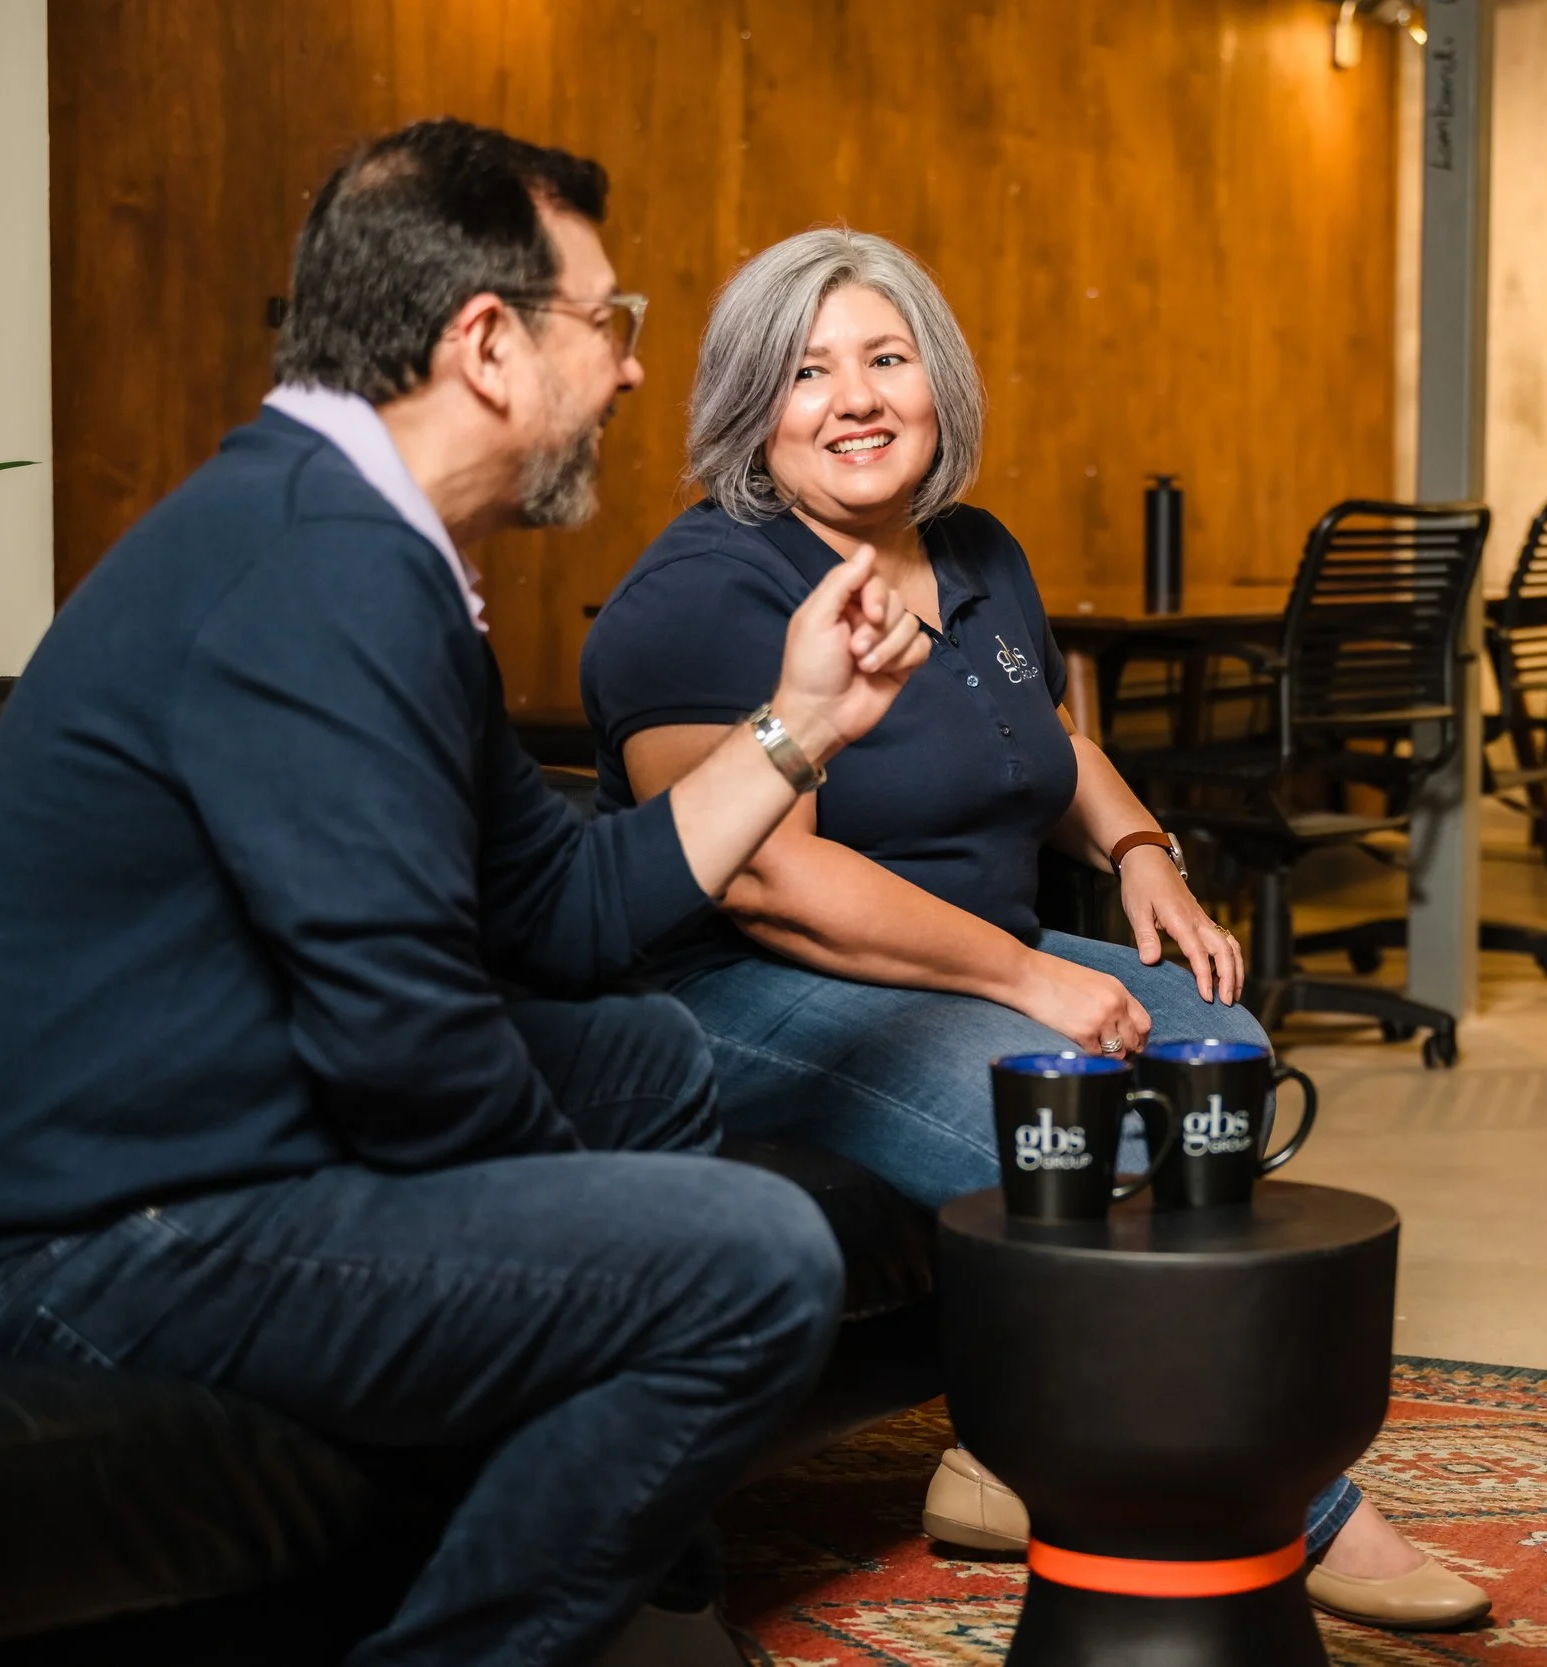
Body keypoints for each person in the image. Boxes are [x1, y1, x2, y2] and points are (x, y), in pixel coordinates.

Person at [0, 121, 933, 1667]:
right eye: (609, 323)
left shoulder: (368, 551)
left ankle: (603, 1553)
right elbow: (408, 1052)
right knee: (751, 1262)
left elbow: (564, 907)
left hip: (211, 1142)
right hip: (93, 1240)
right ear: (486, 345)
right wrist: (616, 1243)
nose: (634, 371)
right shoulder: (314, 574)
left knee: (648, 1053)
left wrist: (802, 724)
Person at [581, 227, 1490, 1633]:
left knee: (1218, 1047)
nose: (857, 397)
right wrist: (1028, 982)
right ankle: (1293, 1505)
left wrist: (1138, 850)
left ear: (938, 380)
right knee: (1079, 1113)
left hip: (970, 960)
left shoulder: (975, 553)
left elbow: (1049, 735)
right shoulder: (700, 593)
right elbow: (768, 881)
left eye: (887, 358)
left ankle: (1006, 1449)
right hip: (747, 992)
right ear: (754, 411)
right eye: (808, 372)